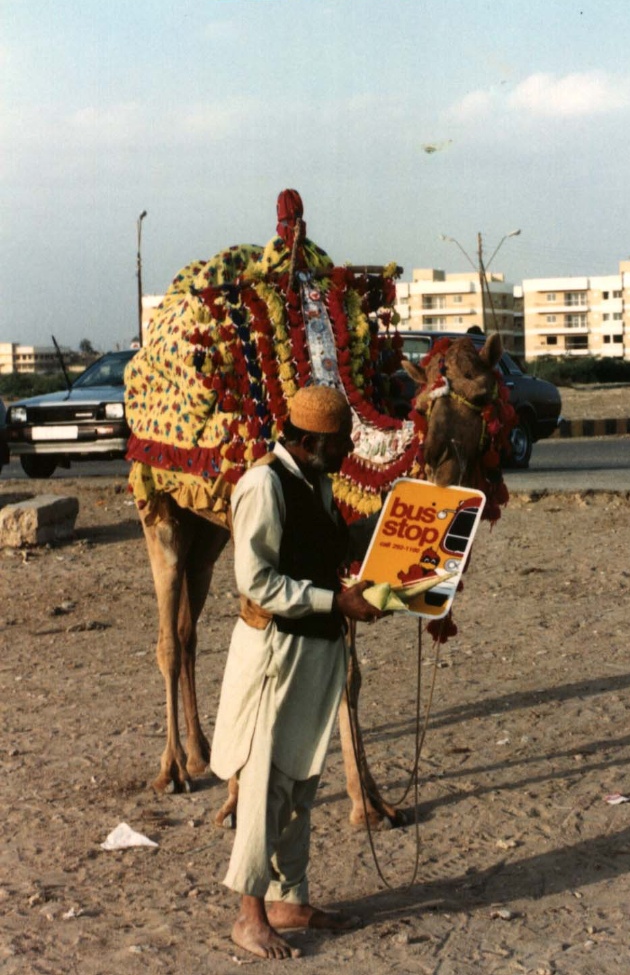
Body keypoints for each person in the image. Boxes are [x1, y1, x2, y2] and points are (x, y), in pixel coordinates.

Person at [210, 384, 384, 961]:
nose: (349, 450)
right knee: (263, 783)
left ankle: (289, 898)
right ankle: (249, 915)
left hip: (313, 653)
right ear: (312, 441)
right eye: (341, 443)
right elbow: (255, 582)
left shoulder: (317, 482)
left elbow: (328, 547)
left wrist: (401, 524)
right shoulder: (263, 485)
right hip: (274, 656)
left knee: (300, 781)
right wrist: (336, 604)